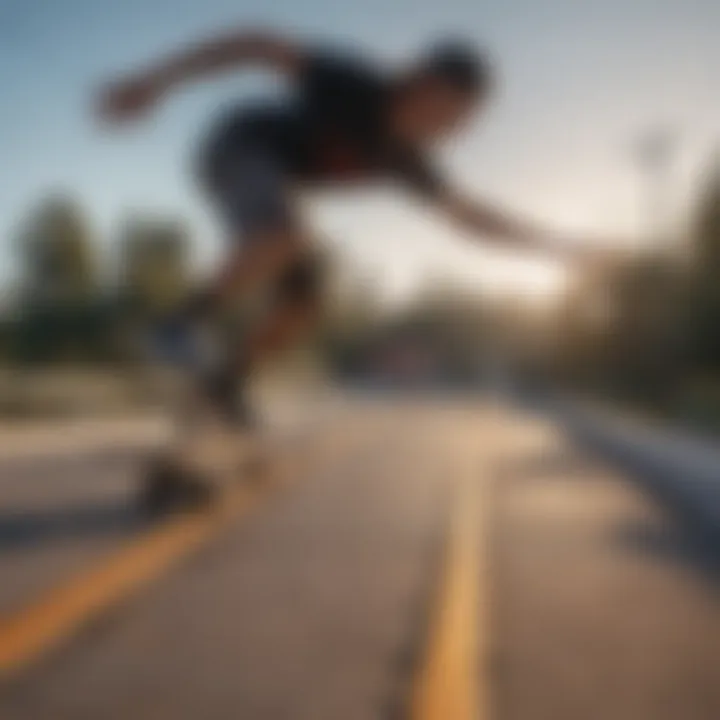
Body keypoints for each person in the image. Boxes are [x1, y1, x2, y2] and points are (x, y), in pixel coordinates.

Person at [97, 28, 599, 424]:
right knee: (287, 234)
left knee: (306, 305)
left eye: (461, 123)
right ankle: (179, 323)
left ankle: (227, 383)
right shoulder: (351, 83)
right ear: (421, 83)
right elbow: (254, 44)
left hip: (281, 185)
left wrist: (556, 246)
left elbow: (471, 218)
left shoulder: (406, 161)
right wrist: (155, 81)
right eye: (449, 113)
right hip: (239, 145)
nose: (450, 131)